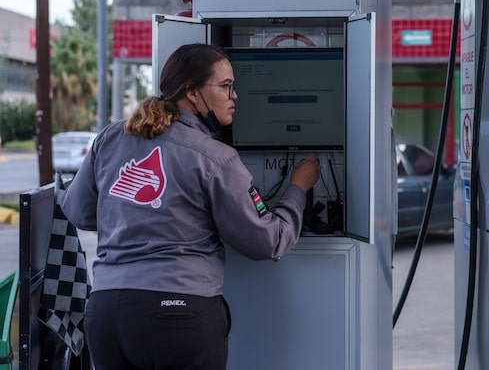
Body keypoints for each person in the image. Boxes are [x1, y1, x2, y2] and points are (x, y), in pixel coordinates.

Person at [60, 43, 320, 370]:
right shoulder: (215, 158)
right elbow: (267, 241)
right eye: (225, 86)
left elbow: (79, 212)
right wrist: (298, 188)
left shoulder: (110, 137)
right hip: (179, 315)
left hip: (107, 313)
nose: (234, 95)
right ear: (193, 93)